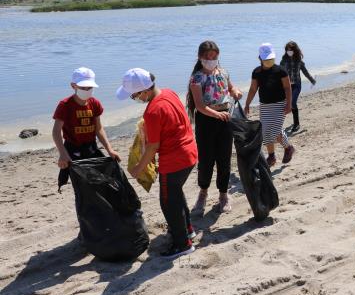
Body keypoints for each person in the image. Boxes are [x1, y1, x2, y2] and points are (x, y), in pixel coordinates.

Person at [119, 68, 198, 259]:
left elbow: (153, 146)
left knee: (167, 202)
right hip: (190, 153)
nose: (135, 99)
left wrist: (138, 168)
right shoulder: (169, 93)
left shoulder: (153, 111)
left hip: (174, 160)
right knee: (175, 194)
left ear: (144, 91)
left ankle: (183, 244)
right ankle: (187, 230)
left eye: (134, 96)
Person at [186, 41, 242, 216]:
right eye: (207, 57)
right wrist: (216, 115)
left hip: (225, 120)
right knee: (206, 161)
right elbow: (200, 106)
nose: (211, 59)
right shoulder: (197, 77)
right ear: (200, 57)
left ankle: (223, 195)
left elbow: (231, 88)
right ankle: (202, 193)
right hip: (206, 122)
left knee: (224, 159)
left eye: (214, 56)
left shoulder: (223, 72)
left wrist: (236, 92)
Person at [53, 67, 120, 191]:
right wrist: (63, 154)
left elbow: (99, 129)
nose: (87, 90)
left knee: (102, 183)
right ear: (73, 86)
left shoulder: (95, 103)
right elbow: (56, 132)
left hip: (91, 148)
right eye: (83, 88)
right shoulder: (65, 105)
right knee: (82, 187)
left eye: (90, 88)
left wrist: (110, 149)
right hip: (72, 150)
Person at [244, 43, 295, 167]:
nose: (268, 61)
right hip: (265, 106)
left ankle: (288, 148)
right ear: (260, 58)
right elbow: (253, 89)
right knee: (266, 132)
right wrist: (247, 104)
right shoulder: (256, 72)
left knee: (276, 131)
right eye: (266, 59)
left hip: (279, 105)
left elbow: (287, 88)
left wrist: (289, 104)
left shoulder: (280, 71)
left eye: (270, 58)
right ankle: (272, 156)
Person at [280, 40, 316, 132]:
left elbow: (305, 71)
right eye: (287, 50)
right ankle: (280, 125)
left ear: (295, 50)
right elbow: (278, 72)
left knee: (292, 102)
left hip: (296, 85)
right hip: (286, 86)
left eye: (290, 50)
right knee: (285, 104)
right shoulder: (284, 60)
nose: (289, 51)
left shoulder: (299, 60)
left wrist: (312, 80)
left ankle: (296, 124)